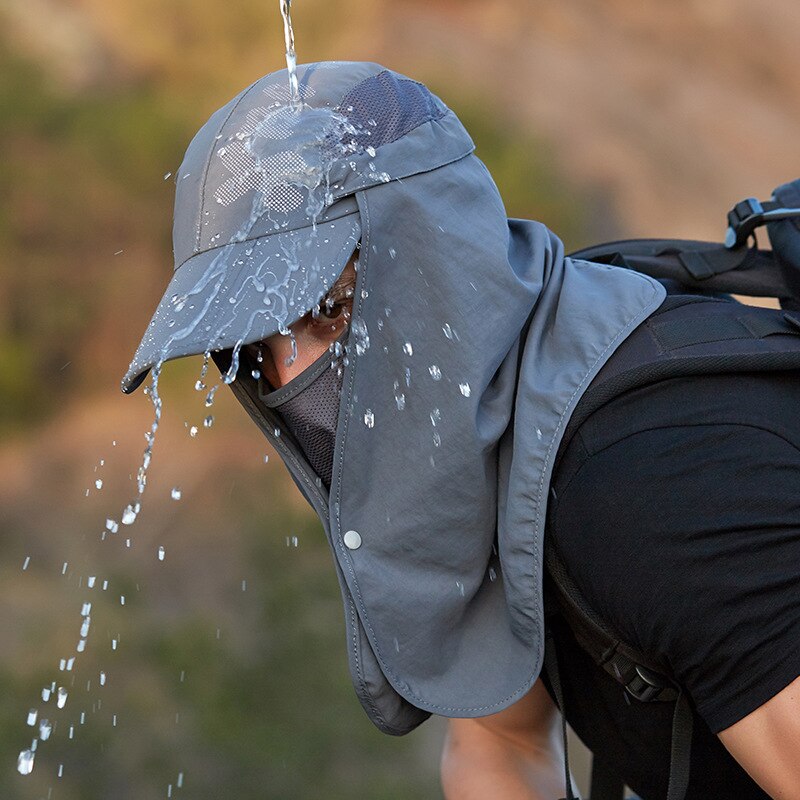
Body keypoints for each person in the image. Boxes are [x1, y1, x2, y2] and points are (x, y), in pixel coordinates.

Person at [122, 62, 800, 799]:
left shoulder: (653, 486)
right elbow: (498, 739)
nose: (290, 378)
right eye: (255, 345)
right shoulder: (490, 418)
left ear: (438, 267)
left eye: (329, 311)